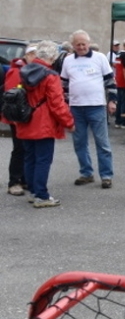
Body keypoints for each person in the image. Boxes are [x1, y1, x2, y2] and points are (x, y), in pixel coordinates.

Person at [11, 40, 75, 208]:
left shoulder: (24, 71)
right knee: (43, 160)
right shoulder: (50, 75)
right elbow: (57, 104)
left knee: (30, 158)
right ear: (53, 56)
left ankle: (33, 191)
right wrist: (69, 122)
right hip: (43, 123)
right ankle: (41, 195)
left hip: (26, 120)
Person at [60, 29, 117, 189]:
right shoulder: (68, 60)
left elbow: (110, 81)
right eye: (77, 44)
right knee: (79, 142)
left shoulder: (100, 58)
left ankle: (106, 175)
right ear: (72, 45)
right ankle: (86, 173)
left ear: (89, 43)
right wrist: (64, 103)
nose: (81, 47)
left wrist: (112, 100)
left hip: (96, 106)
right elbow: (63, 84)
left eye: (83, 43)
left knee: (102, 142)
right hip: (76, 107)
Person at [2, 46, 37, 196]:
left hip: (27, 115)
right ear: (28, 55)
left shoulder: (28, 69)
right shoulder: (17, 71)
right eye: (35, 56)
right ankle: (14, 182)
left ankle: (24, 179)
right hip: (18, 116)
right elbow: (12, 97)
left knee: (26, 148)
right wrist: (17, 117)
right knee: (19, 149)